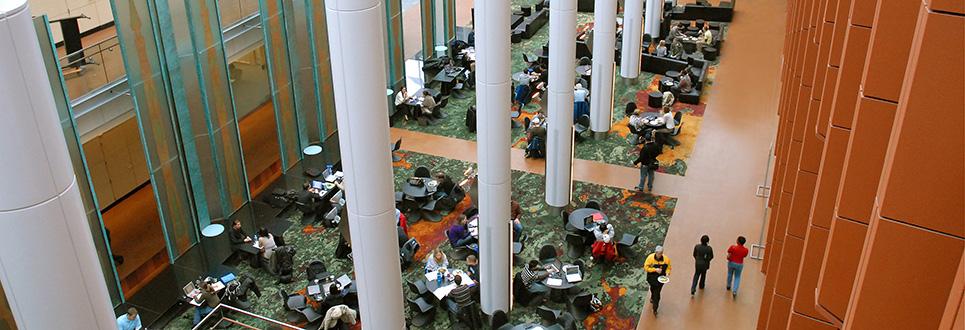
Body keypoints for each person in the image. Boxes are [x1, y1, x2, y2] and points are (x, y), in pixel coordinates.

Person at [644, 246, 672, 314]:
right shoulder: (650, 258)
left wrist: (668, 273)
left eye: (661, 253)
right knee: (652, 289)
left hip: (661, 279)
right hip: (652, 278)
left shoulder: (666, 259)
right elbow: (646, 268)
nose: (660, 255)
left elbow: (669, 267)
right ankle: (652, 297)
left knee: (657, 294)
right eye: (658, 253)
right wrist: (655, 270)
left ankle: (655, 308)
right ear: (655, 252)